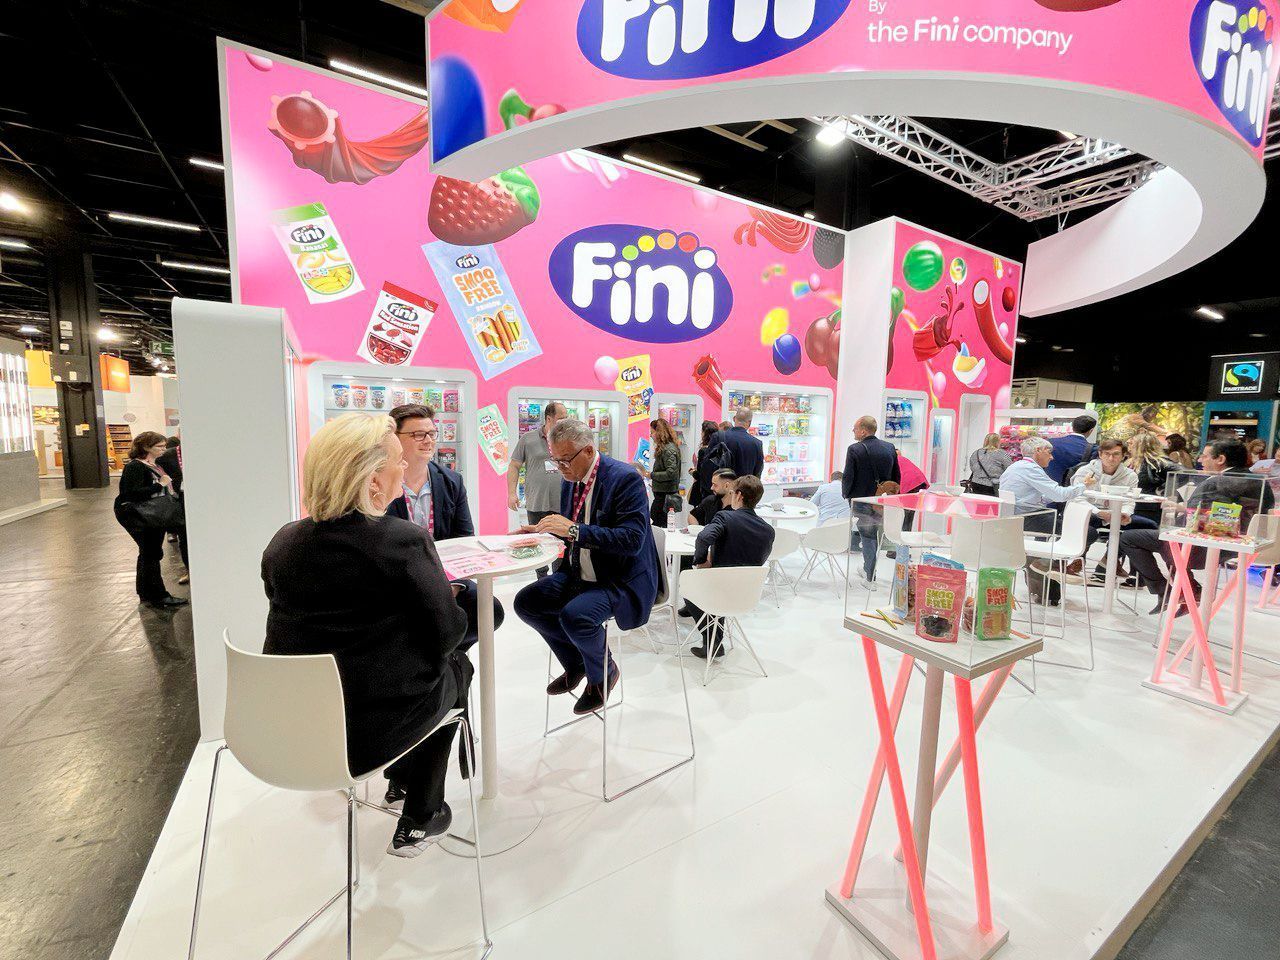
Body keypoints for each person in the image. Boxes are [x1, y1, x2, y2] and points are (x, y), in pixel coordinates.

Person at [261, 414, 473, 856]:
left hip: (288, 728)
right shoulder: (402, 540)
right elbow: (449, 632)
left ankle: (402, 782)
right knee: (458, 666)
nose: (405, 468)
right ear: (373, 477)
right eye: (398, 459)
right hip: (368, 735)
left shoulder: (283, 541)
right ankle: (423, 809)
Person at [514, 419, 659, 716]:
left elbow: (631, 540)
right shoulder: (572, 479)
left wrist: (575, 531)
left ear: (589, 451)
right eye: (555, 460)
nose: (561, 467)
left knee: (575, 616)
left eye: (565, 460)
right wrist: (541, 532)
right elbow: (573, 528)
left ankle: (603, 673)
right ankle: (577, 663)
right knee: (527, 602)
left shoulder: (625, 479)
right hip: (581, 572)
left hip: (620, 578)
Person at [386, 403, 503, 645]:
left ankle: (451, 660)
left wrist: (452, 587)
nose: (428, 440)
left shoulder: (451, 481)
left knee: (491, 611)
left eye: (431, 433)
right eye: (418, 434)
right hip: (398, 584)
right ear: (394, 439)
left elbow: (465, 539)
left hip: (446, 578)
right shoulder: (381, 484)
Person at [1120, 438, 1275, 615]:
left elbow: (1193, 521)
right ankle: (1189, 589)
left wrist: (1177, 515)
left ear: (1220, 459)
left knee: (1131, 538)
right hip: (1242, 546)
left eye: (1205, 456)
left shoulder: (1216, 482)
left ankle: (1169, 591)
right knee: (1165, 540)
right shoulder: (1261, 482)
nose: (1200, 460)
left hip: (1204, 547)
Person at [686, 476, 775, 659]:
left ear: (739, 495)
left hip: (718, 589)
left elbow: (703, 538)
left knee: (689, 589)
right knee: (719, 586)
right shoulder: (768, 530)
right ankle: (714, 643)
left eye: (733, 493)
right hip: (746, 595)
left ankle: (712, 642)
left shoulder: (725, 517)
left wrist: (701, 561)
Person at [1002, 436, 1096, 604]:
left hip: (1021, 516)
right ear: (1038, 451)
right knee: (1089, 533)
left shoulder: (1016, 466)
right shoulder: (1030, 469)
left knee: (1060, 526)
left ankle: (1041, 565)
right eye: (1049, 452)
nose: (1052, 457)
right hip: (1029, 518)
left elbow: (1037, 497)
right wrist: (1084, 485)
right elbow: (1059, 495)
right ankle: (1042, 562)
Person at [114, 431, 188, 609]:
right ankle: (158, 595)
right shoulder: (135, 467)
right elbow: (130, 494)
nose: (163, 449)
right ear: (147, 447)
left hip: (151, 517)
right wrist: (158, 484)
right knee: (151, 554)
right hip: (142, 517)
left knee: (150, 554)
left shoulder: (152, 464)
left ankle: (147, 593)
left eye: (164, 446)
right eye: (159, 447)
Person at [1076, 439, 1155, 575]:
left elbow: (1129, 501)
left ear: (1123, 455)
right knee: (1088, 525)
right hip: (1091, 511)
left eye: (1116, 454)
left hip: (1116, 513)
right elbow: (1077, 498)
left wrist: (1125, 513)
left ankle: (1110, 560)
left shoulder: (1130, 475)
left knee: (1149, 526)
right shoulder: (1086, 471)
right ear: (1100, 454)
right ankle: (1077, 559)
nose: (1111, 458)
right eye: (1107, 454)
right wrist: (1099, 512)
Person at [509, 401, 570, 577]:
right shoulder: (528, 439)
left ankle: (559, 578)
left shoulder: (567, 439)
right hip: (536, 501)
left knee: (562, 543)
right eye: (561, 418)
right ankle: (541, 579)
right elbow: (514, 466)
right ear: (549, 418)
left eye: (567, 417)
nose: (565, 421)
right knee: (536, 542)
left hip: (562, 502)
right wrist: (511, 493)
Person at [841, 415, 900, 585]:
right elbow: (896, 476)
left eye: (855, 428)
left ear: (863, 430)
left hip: (861, 500)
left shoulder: (854, 449)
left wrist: (846, 495)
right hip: (882, 501)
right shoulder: (889, 447)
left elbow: (848, 477)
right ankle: (868, 568)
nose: (853, 430)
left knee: (868, 536)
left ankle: (870, 576)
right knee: (876, 535)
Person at [156, 434, 190, 585]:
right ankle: (189, 570)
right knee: (184, 537)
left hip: (202, 502)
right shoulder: (169, 455)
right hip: (178, 501)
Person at [640, 418, 683, 526]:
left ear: (659, 432)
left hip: (664, 497)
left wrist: (652, 475)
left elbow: (671, 473)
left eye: (652, 432)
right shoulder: (667, 448)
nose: (651, 435)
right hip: (662, 494)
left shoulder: (668, 449)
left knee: (657, 523)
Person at [713, 409, 765, 478]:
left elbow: (709, 466)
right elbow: (758, 472)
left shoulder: (718, 437)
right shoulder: (757, 443)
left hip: (723, 486)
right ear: (749, 422)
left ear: (734, 418)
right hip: (745, 487)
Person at [1046, 415, 1098, 483]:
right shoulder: (1092, 449)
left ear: (1072, 427)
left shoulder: (1050, 442)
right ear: (1091, 430)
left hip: (1046, 487)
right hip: (1071, 488)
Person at [688, 419, 720, 506]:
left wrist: (692, 472)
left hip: (704, 491)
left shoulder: (703, 451)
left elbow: (699, 475)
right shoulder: (720, 449)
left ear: (705, 434)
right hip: (717, 489)